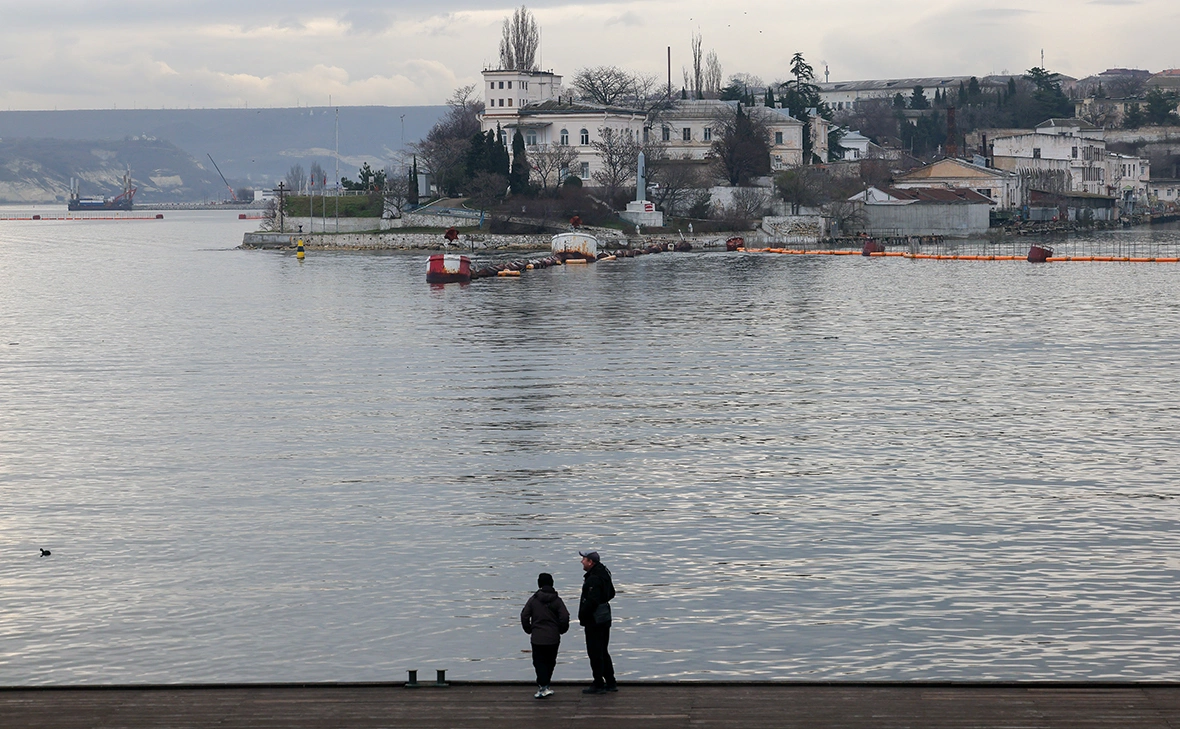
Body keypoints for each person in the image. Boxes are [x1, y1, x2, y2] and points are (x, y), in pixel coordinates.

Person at [520, 572, 570, 699]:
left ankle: (542, 686)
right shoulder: (557, 600)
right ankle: (545, 685)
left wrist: (529, 629)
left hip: (537, 637)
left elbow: (524, 615)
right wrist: (561, 630)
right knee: (550, 661)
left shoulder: (533, 600)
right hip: (553, 637)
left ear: (539, 584)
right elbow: (564, 616)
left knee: (538, 662)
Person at [578, 550, 617, 694]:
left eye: (584, 559)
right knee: (603, 650)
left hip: (594, 620)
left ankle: (599, 683)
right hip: (605, 617)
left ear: (591, 562)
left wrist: (583, 615)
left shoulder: (593, 579)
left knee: (594, 652)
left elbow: (592, 601)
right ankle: (611, 682)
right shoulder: (604, 574)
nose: (582, 561)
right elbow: (612, 593)